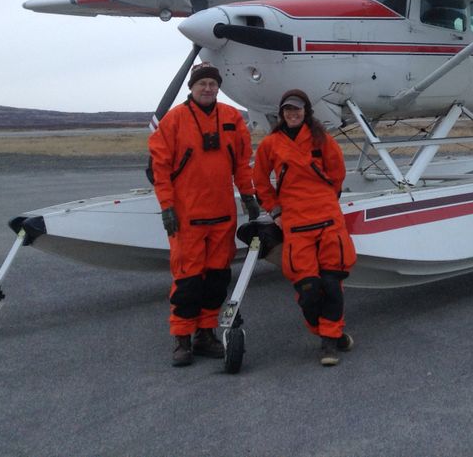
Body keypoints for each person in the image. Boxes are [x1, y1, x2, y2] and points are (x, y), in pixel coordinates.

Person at [148, 62, 261, 367]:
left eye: (213, 83)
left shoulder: (231, 117)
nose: (208, 88)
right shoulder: (174, 121)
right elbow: (159, 169)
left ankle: (206, 334)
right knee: (188, 281)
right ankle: (182, 339)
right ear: (192, 87)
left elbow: (241, 162)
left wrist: (248, 195)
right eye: (202, 84)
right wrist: (167, 207)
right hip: (187, 218)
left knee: (216, 279)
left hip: (222, 216)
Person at [254, 89, 357, 366]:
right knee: (309, 290)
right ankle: (328, 332)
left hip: (327, 221)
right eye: (288, 110)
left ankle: (328, 344)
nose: (292, 114)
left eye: (297, 109)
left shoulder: (322, 140)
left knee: (333, 285)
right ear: (281, 113)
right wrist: (275, 210)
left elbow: (337, 174)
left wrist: (326, 203)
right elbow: (260, 180)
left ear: (306, 112)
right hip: (296, 224)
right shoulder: (270, 144)